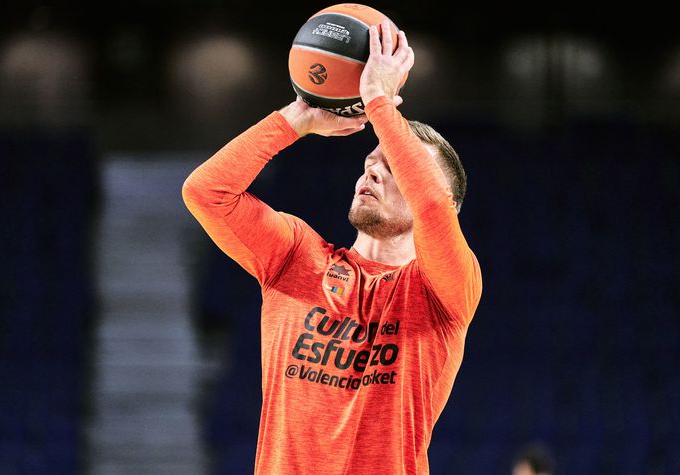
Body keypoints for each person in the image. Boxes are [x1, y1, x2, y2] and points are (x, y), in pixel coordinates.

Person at [182, 19, 482, 474]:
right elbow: (206, 192)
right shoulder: (296, 256)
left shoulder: (445, 291)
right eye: (370, 161)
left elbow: (432, 210)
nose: (374, 171)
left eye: (398, 166)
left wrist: (380, 102)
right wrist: (296, 120)